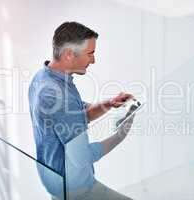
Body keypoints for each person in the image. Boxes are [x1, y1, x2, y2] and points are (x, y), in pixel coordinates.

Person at [28, 21, 134, 200]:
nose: (93, 60)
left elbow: (75, 114)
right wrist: (120, 136)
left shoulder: (45, 77)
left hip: (63, 185)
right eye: (90, 53)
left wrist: (109, 103)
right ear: (69, 54)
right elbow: (82, 157)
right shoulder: (54, 95)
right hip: (75, 190)